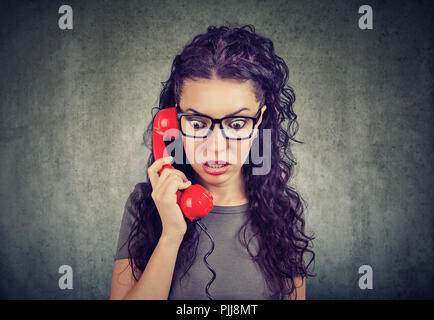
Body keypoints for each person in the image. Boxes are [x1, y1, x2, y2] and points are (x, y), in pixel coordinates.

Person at [109, 24, 315, 300]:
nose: (215, 147)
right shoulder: (145, 203)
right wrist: (171, 233)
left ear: (259, 122)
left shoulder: (284, 210)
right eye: (196, 122)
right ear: (172, 123)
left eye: (238, 122)